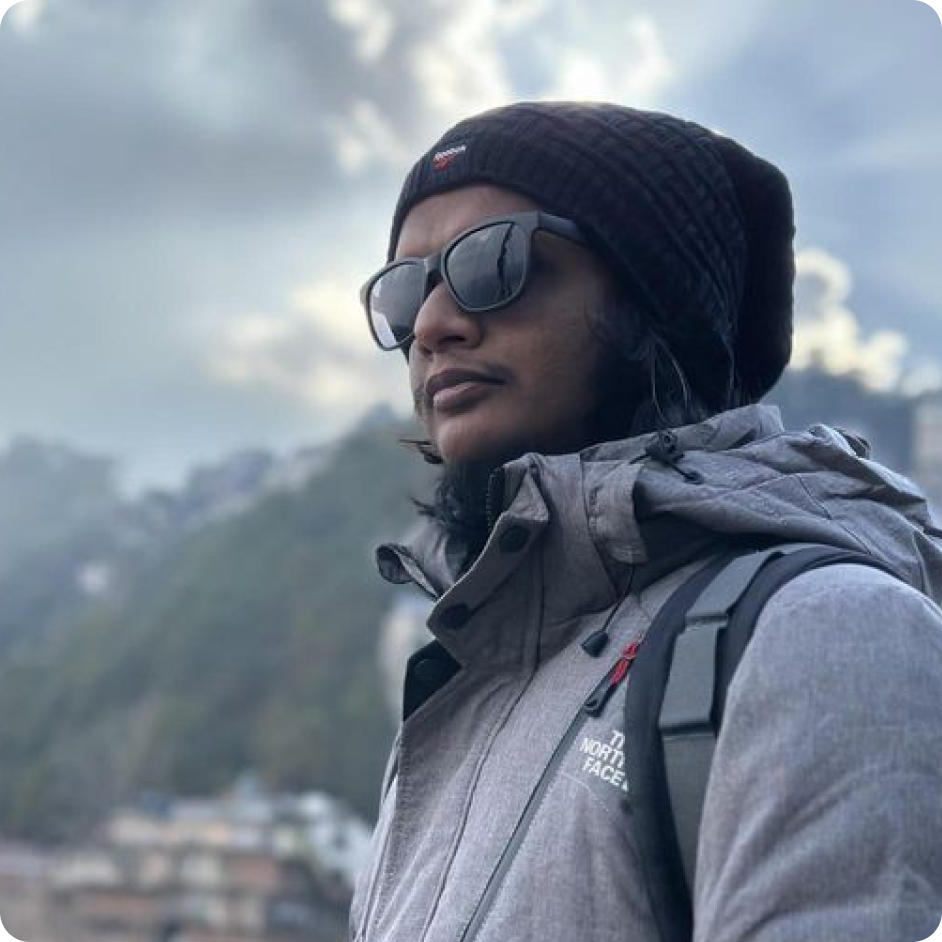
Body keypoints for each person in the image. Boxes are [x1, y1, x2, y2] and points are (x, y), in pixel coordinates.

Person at [350, 101, 942, 942]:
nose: (435, 327)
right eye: (408, 292)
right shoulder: (457, 698)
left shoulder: (828, 634)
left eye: (493, 261)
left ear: (653, 300)